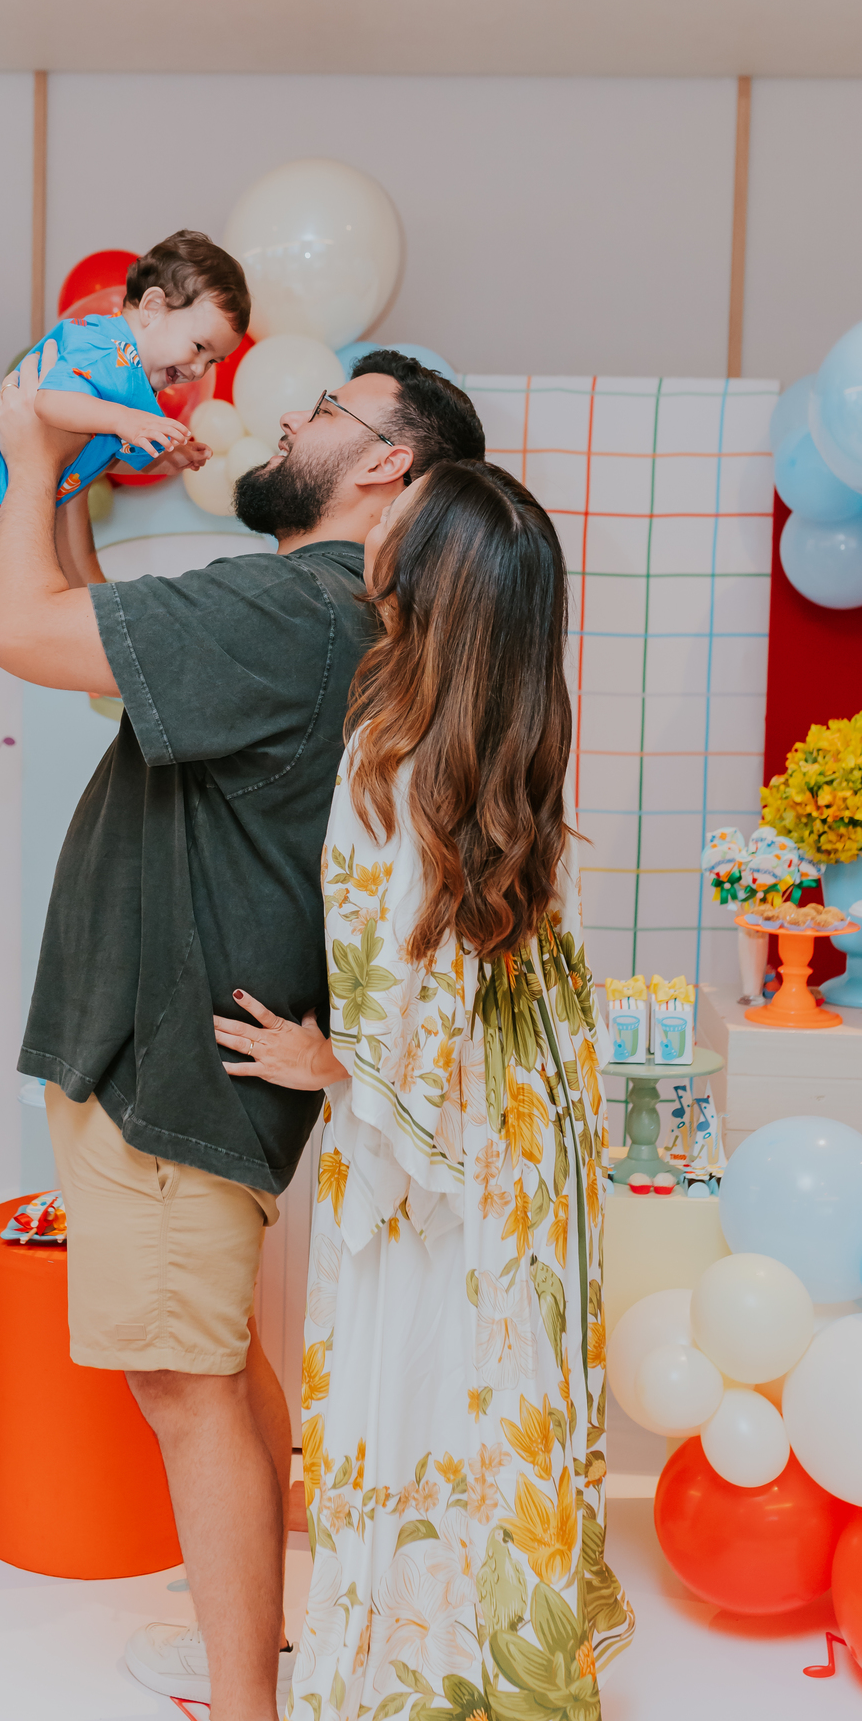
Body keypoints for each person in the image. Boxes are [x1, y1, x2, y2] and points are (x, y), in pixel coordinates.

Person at [0, 343, 485, 1721]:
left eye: (328, 410)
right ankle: (259, 1651)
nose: (292, 419)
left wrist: (28, 461)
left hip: (172, 1065)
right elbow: (95, 642)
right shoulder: (343, 617)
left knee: (185, 1383)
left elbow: (21, 633)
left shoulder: (295, 605)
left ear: (386, 463)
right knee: (218, 1370)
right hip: (197, 1052)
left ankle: (246, 1704)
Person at [212, 461, 635, 1717]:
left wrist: (331, 1059)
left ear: (424, 582)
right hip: (520, 1127)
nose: (371, 524)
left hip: (441, 1136)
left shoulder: (390, 761)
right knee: (497, 1392)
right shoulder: (515, 724)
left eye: (395, 521)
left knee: (426, 1393)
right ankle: (489, 1660)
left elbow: (406, 994)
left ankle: (417, 1676)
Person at [0, 231, 247, 773]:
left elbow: (87, 450)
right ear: (155, 307)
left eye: (213, 361)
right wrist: (126, 420)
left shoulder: (130, 381)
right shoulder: (101, 342)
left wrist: (164, 457)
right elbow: (48, 403)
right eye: (199, 348)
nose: (199, 370)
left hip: (0, 481)